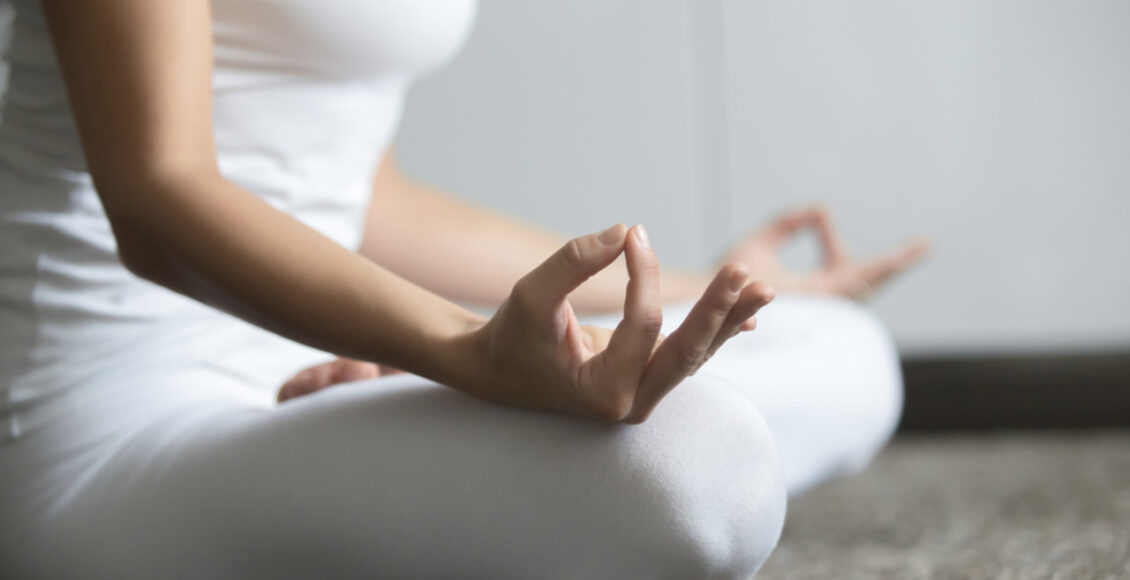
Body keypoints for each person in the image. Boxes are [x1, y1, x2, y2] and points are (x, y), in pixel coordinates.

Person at [0, 1, 928, 578]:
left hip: (339, 358)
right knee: (703, 469)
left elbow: (371, 203)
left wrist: (712, 291)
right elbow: (157, 196)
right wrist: (459, 355)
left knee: (844, 347)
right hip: (112, 420)